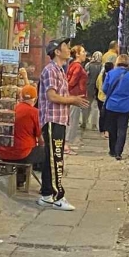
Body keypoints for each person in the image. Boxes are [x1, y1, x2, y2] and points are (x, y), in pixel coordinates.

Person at [37, 41, 88, 211]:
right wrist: (73, 100)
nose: (69, 49)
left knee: (51, 158)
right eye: (65, 47)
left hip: (59, 119)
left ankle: (46, 194)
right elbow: (52, 96)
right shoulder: (51, 70)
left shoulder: (59, 70)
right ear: (57, 52)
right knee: (56, 158)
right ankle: (58, 196)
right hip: (52, 119)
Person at [101, 56, 129, 159]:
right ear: (128, 63)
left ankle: (112, 150)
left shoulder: (110, 73)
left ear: (117, 62)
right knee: (122, 129)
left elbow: (104, 89)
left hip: (111, 106)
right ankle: (118, 152)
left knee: (112, 128)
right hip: (125, 107)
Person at [0, 84, 40, 165]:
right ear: (36, 99)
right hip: (23, 154)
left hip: (2, 153)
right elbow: (41, 138)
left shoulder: (11, 109)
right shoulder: (35, 112)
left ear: (21, 97)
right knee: (46, 151)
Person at [65, 44, 88, 154]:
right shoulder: (78, 67)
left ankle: (67, 144)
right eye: (83, 52)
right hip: (75, 97)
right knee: (72, 121)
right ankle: (66, 145)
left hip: (73, 97)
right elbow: (71, 82)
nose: (85, 54)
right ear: (77, 54)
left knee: (71, 120)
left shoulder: (72, 65)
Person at [84, 51, 103, 131]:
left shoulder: (88, 65)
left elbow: (85, 75)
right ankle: (94, 125)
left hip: (88, 87)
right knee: (95, 107)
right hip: (97, 88)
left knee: (86, 105)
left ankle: (84, 122)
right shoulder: (102, 66)